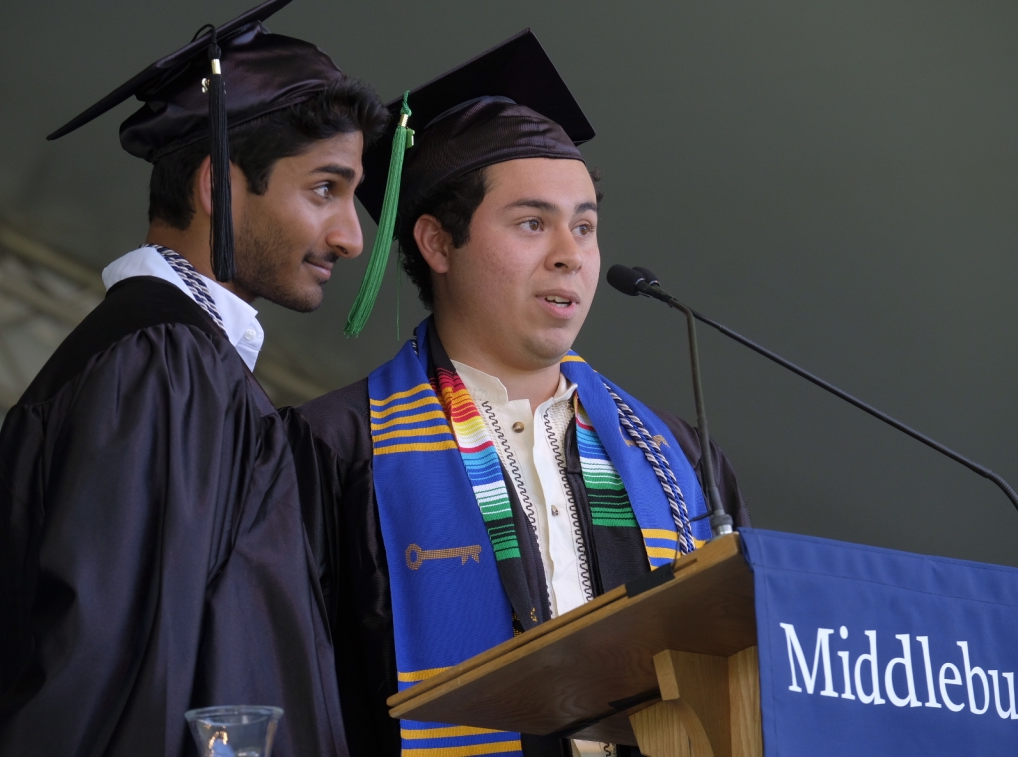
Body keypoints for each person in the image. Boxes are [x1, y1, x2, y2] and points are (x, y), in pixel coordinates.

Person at [282, 30, 750, 757]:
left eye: (585, 225)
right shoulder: (335, 447)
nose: (571, 253)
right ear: (437, 243)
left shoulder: (678, 456)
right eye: (532, 223)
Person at [0, 3, 388, 756]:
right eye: (326, 188)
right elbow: (116, 671)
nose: (352, 236)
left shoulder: (182, 362)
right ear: (218, 187)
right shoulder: (162, 365)